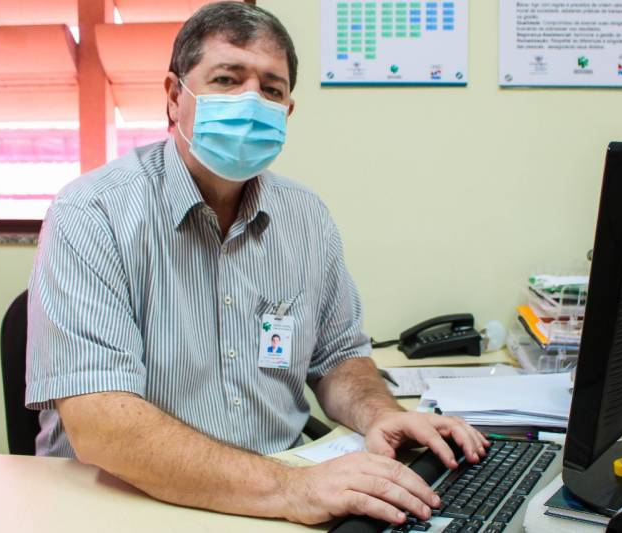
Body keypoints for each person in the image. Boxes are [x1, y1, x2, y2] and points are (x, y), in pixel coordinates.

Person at [25, 1, 488, 526]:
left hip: (275, 492)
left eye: (271, 89)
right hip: (124, 502)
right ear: (175, 96)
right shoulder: (92, 214)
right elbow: (102, 425)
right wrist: (292, 489)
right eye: (227, 79)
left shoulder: (305, 217)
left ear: (287, 111)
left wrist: (381, 414)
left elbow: (338, 356)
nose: (251, 101)